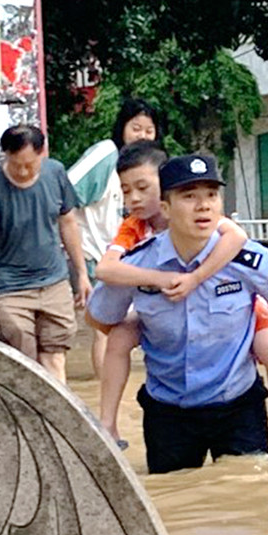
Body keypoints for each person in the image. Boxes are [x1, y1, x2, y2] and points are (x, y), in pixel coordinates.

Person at [94, 141, 268, 459]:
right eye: (189, 196)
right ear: (165, 207)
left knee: (252, 492)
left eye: (211, 196)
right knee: (176, 498)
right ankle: (106, 425)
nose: (202, 206)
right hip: (168, 411)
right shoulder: (137, 261)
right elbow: (99, 317)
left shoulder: (243, 258)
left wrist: (253, 333)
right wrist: (144, 329)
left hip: (238, 406)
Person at [0, 124, 92, 384]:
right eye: (16, 165)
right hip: (10, 288)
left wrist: (81, 273)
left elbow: (68, 222)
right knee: (25, 361)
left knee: (55, 356)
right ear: (6, 156)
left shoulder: (55, 173)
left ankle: (57, 420)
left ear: (42, 154)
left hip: (53, 281)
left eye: (30, 165)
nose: (23, 172)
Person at [67, 98, 159, 377]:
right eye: (136, 128)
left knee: (126, 327)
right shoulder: (106, 155)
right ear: (122, 128)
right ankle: (108, 396)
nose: (142, 135)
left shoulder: (151, 165)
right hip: (96, 257)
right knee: (108, 328)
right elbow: (65, 193)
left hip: (129, 260)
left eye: (149, 130)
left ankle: (116, 397)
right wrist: (80, 264)